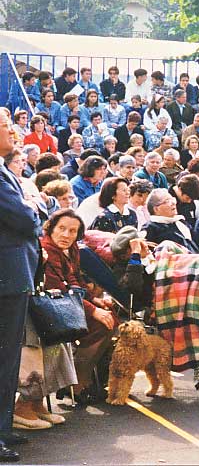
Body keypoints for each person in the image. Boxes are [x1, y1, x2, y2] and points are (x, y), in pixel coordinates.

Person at [0, 110, 42, 462]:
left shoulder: (4, 172)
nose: (13, 131)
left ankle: (2, 428)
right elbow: (24, 218)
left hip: (12, 278)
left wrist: (31, 210)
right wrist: (32, 209)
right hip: (5, 279)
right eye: (5, 126)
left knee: (8, 358)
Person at [41, 210, 116, 404]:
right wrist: (92, 310)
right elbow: (59, 290)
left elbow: (76, 282)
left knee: (109, 316)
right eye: (62, 229)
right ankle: (75, 382)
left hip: (68, 302)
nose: (66, 235)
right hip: (51, 307)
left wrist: (95, 301)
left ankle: (82, 379)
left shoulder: (72, 249)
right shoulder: (47, 250)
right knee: (101, 324)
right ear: (51, 228)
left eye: (72, 231)